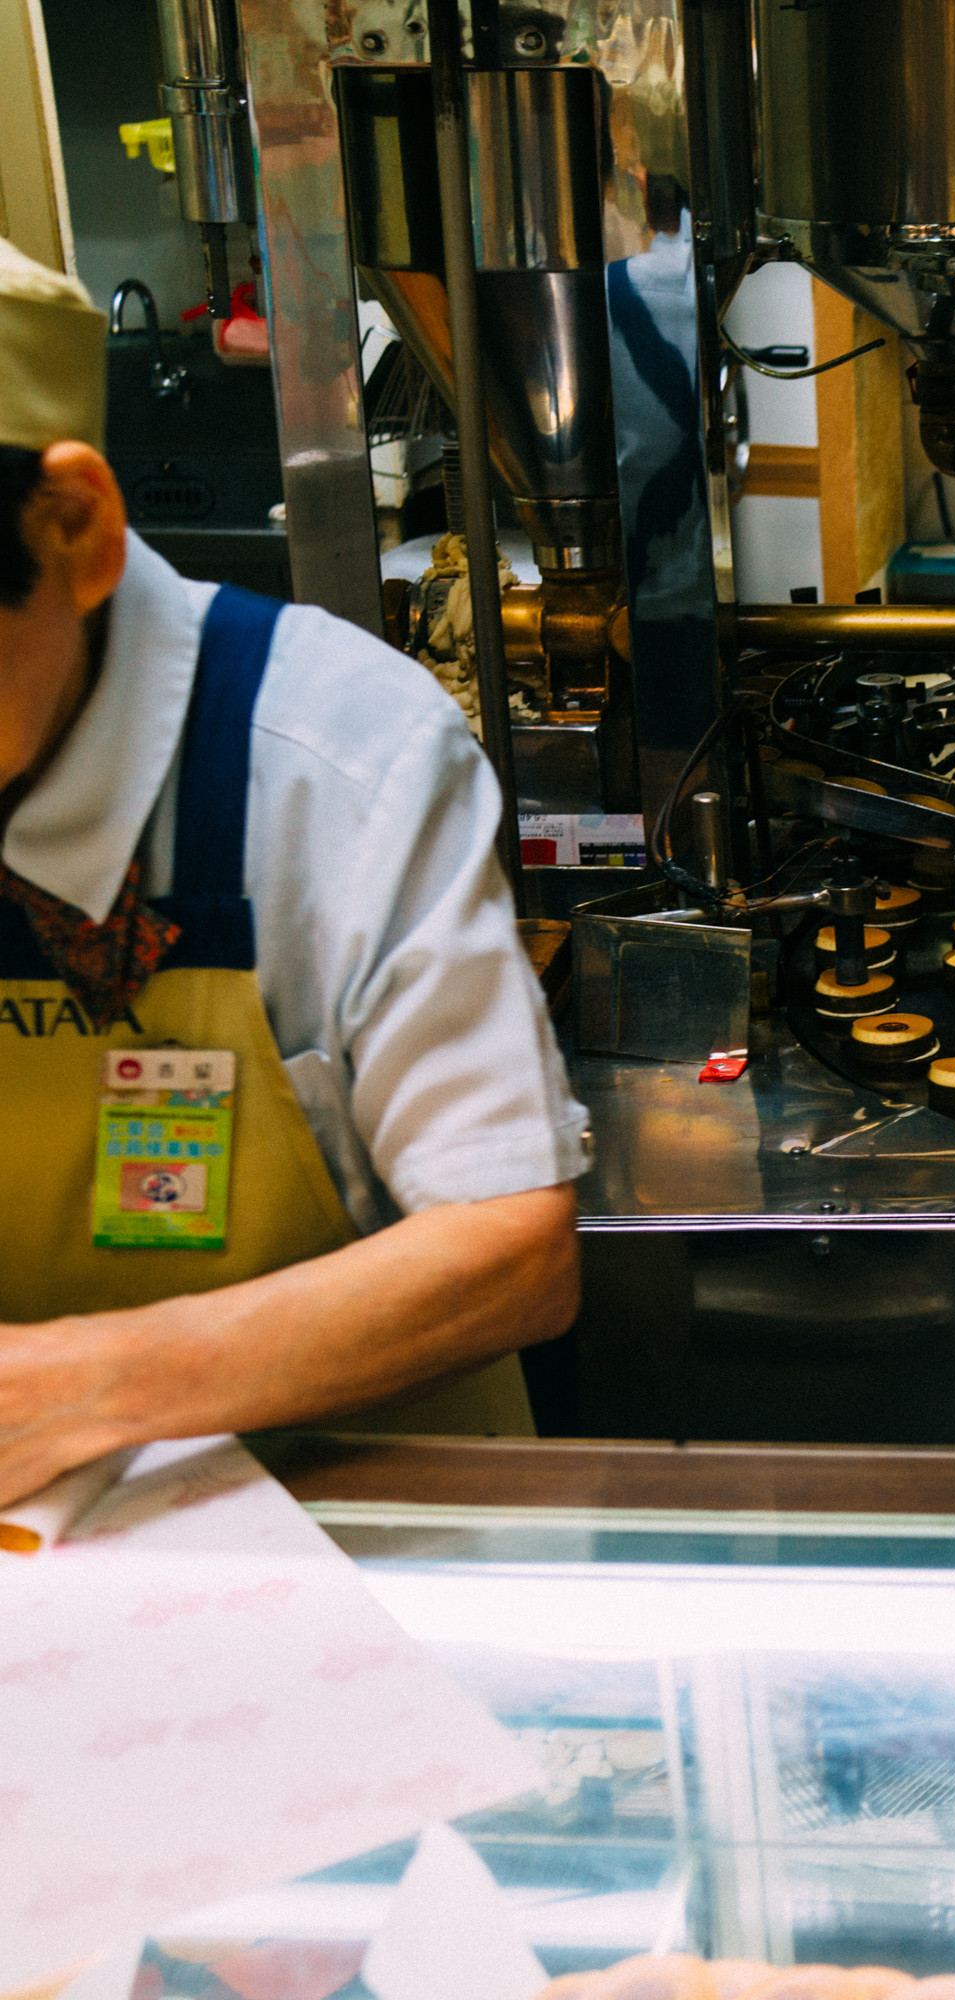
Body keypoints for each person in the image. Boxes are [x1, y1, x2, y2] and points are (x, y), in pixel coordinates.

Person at [0, 238, 591, 1510]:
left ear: (75, 531)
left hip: (370, 1538)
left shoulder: (334, 754)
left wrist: (73, 1386)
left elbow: (509, 1249)